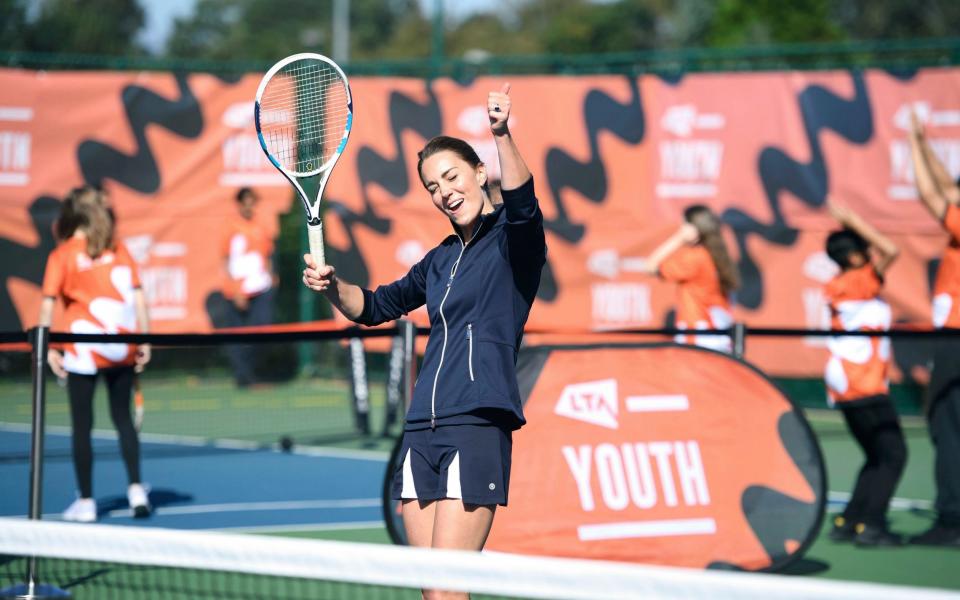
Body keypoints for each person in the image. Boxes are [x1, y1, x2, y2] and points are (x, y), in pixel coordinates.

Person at [303, 84, 545, 598]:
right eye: (433, 186)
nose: (444, 191)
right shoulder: (437, 260)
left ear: (480, 173)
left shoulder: (514, 242)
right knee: (430, 592)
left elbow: (523, 205)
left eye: (452, 176)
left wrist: (501, 134)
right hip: (421, 431)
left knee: (449, 592)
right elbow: (373, 307)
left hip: (477, 424)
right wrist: (331, 286)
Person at [39, 186, 152, 522]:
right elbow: (138, 298)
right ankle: (135, 490)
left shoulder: (61, 255)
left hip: (83, 350)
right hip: (121, 348)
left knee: (82, 425)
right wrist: (144, 340)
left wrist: (48, 348)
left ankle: (86, 502)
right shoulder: (118, 248)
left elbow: (47, 305)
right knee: (123, 419)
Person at [821, 201, 906, 546]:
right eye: (864, 252)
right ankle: (872, 525)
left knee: (877, 454)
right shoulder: (857, 281)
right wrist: (853, 218)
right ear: (855, 259)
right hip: (862, 382)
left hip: (847, 381)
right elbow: (892, 249)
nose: (873, 256)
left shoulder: (846, 283)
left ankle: (850, 520)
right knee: (894, 454)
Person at [908, 111, 960, 546]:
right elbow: (946, 187)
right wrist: (924, 143)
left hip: (955, 340)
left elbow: (930, 192)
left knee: (948, 427)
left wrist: (910, 144)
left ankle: (951, 521)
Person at [637, 205, 739, 352]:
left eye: (684, 225)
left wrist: (678, 239)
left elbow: (650, 266)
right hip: (717, 334)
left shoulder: (695, 257)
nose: (681, 229)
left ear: (694, 228)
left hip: (698, 333)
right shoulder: (716, 255)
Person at [220, 187, 276, 387]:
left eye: (252, 200)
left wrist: (271, 278)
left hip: (261, 289)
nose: (249, 205)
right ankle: (243, 377)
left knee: (262, 331)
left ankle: (251, 373)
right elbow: (227, 262)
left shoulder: (261, 226)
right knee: (237, 337)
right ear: (240, 203)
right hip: (238, 292)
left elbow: (267, 255)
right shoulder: (231, 228)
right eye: (246, 201)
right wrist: (236, 291)